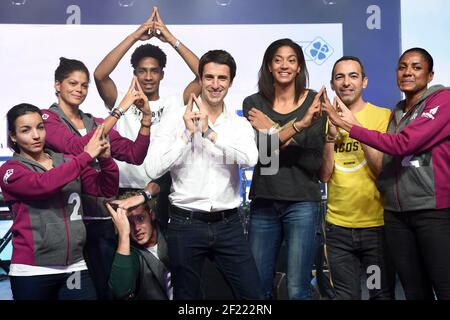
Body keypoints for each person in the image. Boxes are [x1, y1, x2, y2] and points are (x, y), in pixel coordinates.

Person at [116, 50, 263, 300]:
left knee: (254, 297)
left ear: (231, 82)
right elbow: (153, 168)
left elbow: (251, 159)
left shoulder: (238, 124)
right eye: (209, 77)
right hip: (186, 224)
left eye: (222, 78)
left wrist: (208, 133)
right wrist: (186, 134)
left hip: (228, 224)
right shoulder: (174, 119)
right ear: (200, 78)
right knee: (186, 299)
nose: (215, 85)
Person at [324, 48, 450, 300]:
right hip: (396, 216)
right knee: (414, 292)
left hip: (433, 212)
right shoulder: (398, 112)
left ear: (430, 74)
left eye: (416, 67)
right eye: (403, 67)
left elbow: (403, 145)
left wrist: (351, 125)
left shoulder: (442, 100)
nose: (408, 72)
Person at [40, 57, 151, 299]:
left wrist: (146, 120)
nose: (79, 90)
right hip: (68, 224)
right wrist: (120, 109)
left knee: (112, 290)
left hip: (101, 220)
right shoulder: (46, 119)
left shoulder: (97, 122)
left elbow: (135, 154)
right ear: (57, 85)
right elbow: (79, 146)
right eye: (72, 83)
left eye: (84, 85)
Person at [94, 6, 200, 230]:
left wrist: (171, 39)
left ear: (162, 74)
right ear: (134, 73)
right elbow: (100, 74)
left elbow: (204, 75)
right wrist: (134, 36)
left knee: (158, 257)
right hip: (120, 186)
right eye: (142, 70)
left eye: (154, 70)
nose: (148, 76)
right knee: (122, 254)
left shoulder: (174, 103)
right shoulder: (121, 100)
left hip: (158, 188)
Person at [0, 103, 119, 300]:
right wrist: (85, 156)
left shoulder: (67, 161)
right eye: (25, 130)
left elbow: (104, 189)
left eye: (40, 127)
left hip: (75, 266)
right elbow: (43, 184)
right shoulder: (10, 171)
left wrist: (106, 161)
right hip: (32, 271)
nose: (36, 135)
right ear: (13, 136)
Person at [242, 38, 326, 300]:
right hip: (265, 202)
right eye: (278, 60)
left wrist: (271, 129)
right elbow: (264, 156)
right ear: (269, 66)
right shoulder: (253, 103)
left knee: (298, 288)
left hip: (302, 202)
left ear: (299, 66)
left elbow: (312, 160)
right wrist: (298, 127)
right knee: (259, 288)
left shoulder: (314, 101)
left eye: (291, 60)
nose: (284, 65)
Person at [319, 56, 394, 299]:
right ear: (332, 84)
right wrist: (330, 137)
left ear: (364, 82)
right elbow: (324, 176)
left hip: (376, 227)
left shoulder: (383, 117)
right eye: (339, 77)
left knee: (378, 294)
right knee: (345, 296)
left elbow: (382, 169)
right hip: (338, 229)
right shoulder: (325, 120)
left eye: (353, 76)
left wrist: (354, 127)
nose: (346, 82)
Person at [106, 192, 171, 300]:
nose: (136, 228)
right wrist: (124, 235)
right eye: (129, 223)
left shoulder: (170, 235)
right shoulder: (129, 251)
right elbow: (120, 290)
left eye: (140, 218)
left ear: (151, 215)